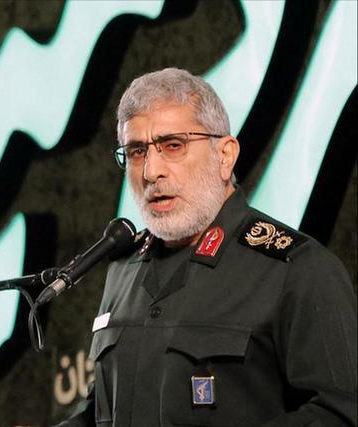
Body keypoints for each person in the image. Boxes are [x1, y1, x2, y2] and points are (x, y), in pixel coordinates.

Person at [57, 68, 357, 426]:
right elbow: (102, 413)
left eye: (173, 145)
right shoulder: (123, 269)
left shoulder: (297, 269)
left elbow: (340, 413)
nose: (151, 171)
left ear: (225, 155)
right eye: (136, 151)